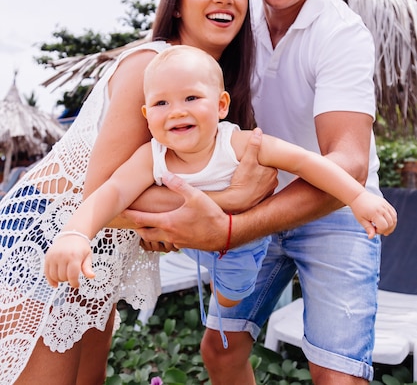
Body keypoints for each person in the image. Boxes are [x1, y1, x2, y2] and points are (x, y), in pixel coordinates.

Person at [125, 0, 394, 385]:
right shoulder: (229, 22)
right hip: (251, 199)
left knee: (338, 376)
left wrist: (231, 226)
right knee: (220, 353)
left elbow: (350, 164)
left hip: (334, 205)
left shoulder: (341, 34)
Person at [0, 0, 277, 385]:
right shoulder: (150, 62)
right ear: (178, 5)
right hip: (51, 233)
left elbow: (174, 197)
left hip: (104, 249)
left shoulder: (216, 92)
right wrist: (232, 198)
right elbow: (100, 191)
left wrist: (181, 227)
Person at [44, 45, 395, 348]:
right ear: (147, 115)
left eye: (191, 98)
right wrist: (75, 234)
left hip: (239, 244)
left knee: (229, 297)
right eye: (161, 103)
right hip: (189, 240)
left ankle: (223, 283)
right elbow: (111, 192)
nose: (177, 110)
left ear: (222, 105)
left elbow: (307, 161)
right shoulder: (149, 155)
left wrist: (358, 197)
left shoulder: (237, 143)